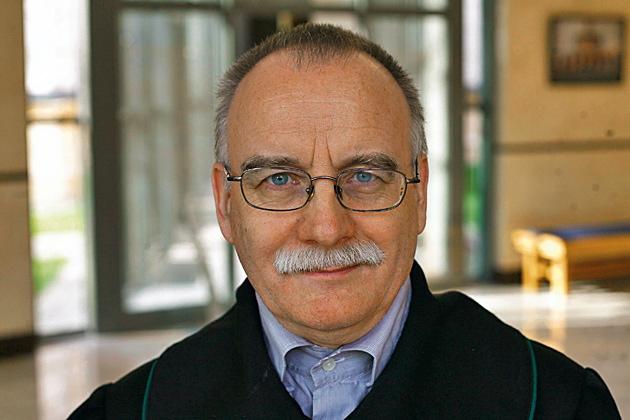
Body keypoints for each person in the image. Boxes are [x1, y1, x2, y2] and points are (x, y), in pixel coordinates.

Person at [70, 23, 620, 419]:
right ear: (225, 204)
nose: (327, 229)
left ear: (420, 193)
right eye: (279, 180)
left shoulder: (556, 403)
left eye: (364, 176)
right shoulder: (134, 410)